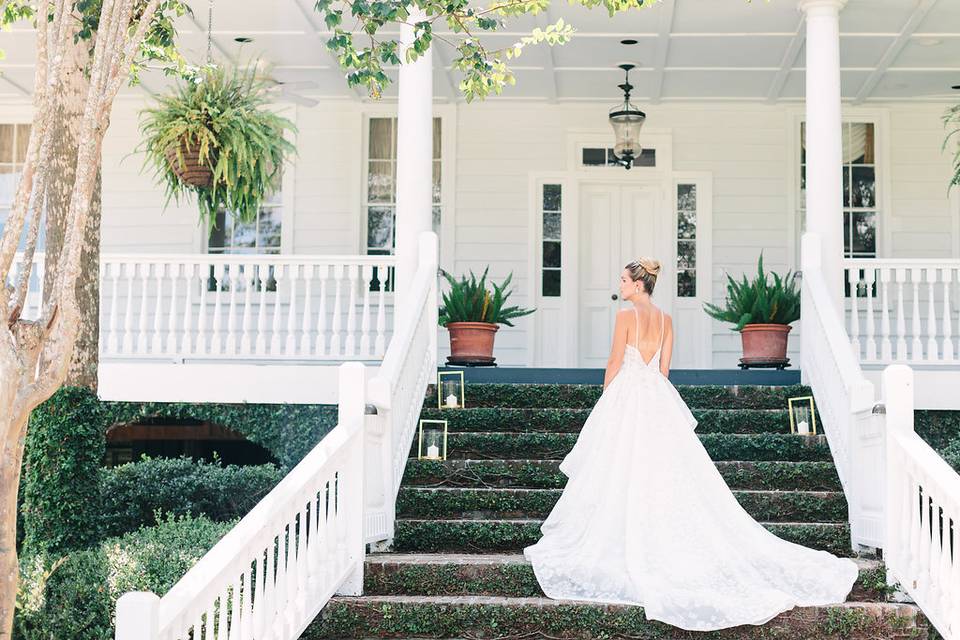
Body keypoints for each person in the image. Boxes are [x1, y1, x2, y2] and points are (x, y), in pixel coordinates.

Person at [522, 257, 858, 631]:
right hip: (656, 397)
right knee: (664, 470)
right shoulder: (666, 321)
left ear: (637, 284)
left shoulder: (624, 317)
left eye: (623, 280)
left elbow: (615, 360)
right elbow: (663, 371)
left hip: (628, 395)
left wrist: (606, 399)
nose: (620, 285)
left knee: (620, 466)